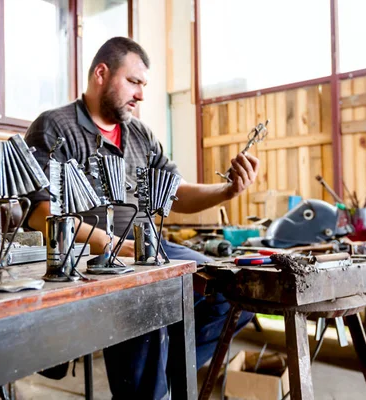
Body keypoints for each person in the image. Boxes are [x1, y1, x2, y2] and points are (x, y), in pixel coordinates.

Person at [24, 37, 256, 399]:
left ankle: (164, 379)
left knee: (236, 288)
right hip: (86, 258)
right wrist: (111, 244)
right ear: (101, 73)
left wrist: (226, 191)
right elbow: (40, 214)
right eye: (134, 82)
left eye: (144, 85)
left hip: (146, 248)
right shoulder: (55, 127)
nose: (141, 95)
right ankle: (150, 389)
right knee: (147, 304)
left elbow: (174, 192)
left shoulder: (139, 134)